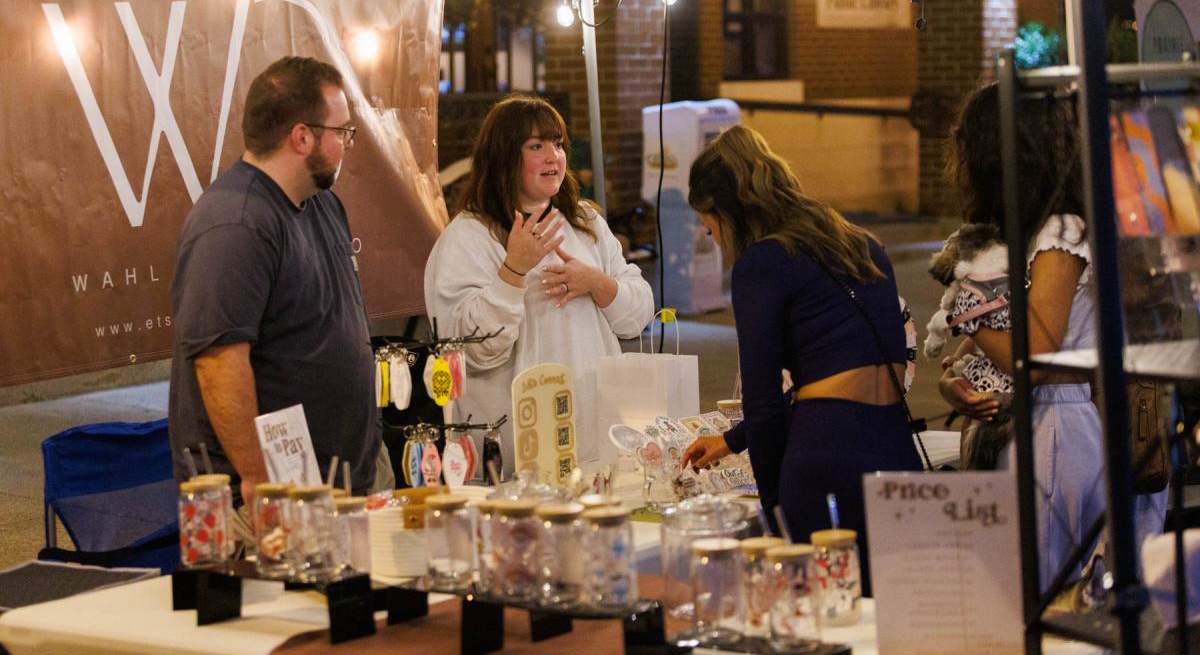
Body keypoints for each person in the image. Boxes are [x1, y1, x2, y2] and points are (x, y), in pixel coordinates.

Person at [935, 83, 1165, 591]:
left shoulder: (1061, 232)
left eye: (967, 146)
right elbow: (995, 342)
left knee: (1037, 595)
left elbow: (1034, 356)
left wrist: (967, 308)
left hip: (1054, 427)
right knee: (1016, 591)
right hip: (1028, 422)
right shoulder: (1031, 231)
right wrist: (956, 381)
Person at [680, 125, 921, 596]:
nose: (714, 239)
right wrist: (733, 439)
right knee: (897, 610)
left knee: (822, 612)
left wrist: (774, 511)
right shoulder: (861, 243)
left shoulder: (761, 264)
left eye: (710, 227)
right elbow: (843, 369)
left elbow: (765, 401)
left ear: (727, 211)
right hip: (894, 446)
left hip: (826, 459)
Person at [168, 56, 385, 507]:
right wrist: (258, 482)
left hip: (340, 481)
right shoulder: (236, 223)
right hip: (273, 497)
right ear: (302, 137)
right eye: (342, 132)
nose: (348, 144)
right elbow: (219, 363)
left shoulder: (323, 204)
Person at [423, 95, 654, 472]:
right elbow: (470, 350)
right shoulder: (468, 237)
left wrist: (597, 283)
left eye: (558, 144)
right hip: (515, 447)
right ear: (503, 157)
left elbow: (638, 315)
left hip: (593, 436)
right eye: (536, 146)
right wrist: (513, 272)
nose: (554, 157)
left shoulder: (584, 222)